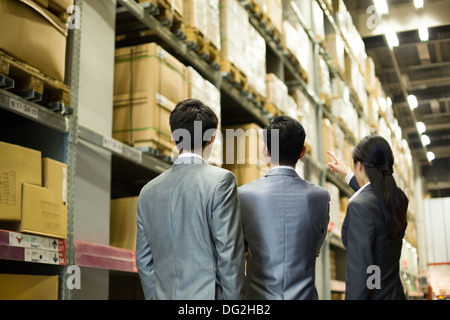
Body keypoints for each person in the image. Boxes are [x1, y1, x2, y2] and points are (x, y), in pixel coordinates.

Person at [136, 98, 245, 300]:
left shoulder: (148, 191)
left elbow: (144, 261)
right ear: (212, 137)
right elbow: (229, 256)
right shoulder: (221, 181)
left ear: (173, 137)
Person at [238, 115, 330, 300]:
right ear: (302, 152)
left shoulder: (243, 194)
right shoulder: (321, 197)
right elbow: (315, 248)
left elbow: (238, 249)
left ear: (266, 150)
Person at [327, 135, 409, 300]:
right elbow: (375, 194)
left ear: (361, 166)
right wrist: (349, 174)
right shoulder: (398, 199)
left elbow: (360, 271)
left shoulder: (360, 207)